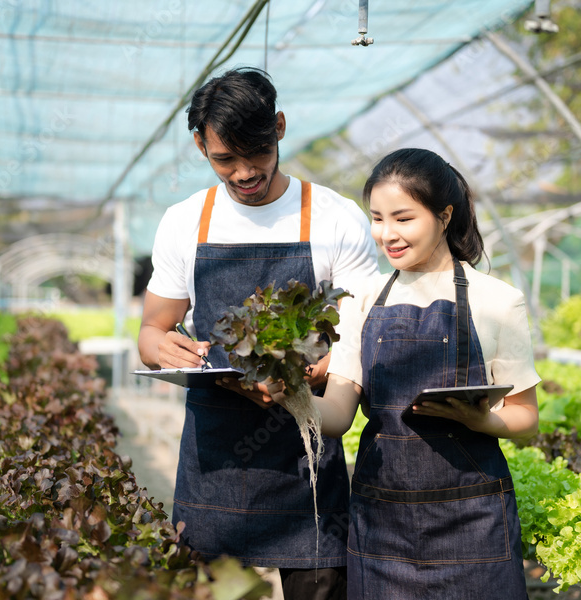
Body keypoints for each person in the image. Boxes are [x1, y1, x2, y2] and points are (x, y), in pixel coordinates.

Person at [138, 67, 379, 599]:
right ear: (201, 145)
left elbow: (363, 332)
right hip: (214, 455)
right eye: (226, 158)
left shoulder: (336, 218)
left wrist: (308, 371)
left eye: (258, 153)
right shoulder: (185, 221)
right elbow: (152, 332)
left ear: (281, 128)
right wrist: (165, 349)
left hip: (307, 452)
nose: (245, 172)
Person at [268, 147, 540, 599]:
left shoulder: (497, 301)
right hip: (382, 521)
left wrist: (480, 420)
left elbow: (526, 418)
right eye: (377, 218)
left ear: (445, 215)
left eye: (403, 218)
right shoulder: (362, 300)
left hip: (473, 523)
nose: (387, 234)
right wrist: (289, 393)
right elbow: (337, 414)